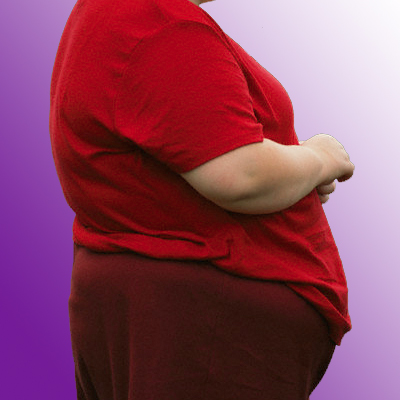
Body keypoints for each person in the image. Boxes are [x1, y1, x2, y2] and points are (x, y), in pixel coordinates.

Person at [49, 0, 355, 399]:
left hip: (177, 321)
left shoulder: (118, 15)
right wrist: (319, 158)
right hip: (204, 329)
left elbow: (199, 146)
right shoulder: (159, 27)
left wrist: (295, 172)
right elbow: (242, 175)